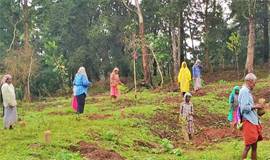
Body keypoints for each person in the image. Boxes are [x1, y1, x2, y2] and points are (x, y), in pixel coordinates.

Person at [239, 73, 264, 160]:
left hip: (253, 120)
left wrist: (257, 106)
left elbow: (249, 105)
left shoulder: (248, 91)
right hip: (249, 121)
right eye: (254, 82)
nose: (255, 84)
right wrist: (257, 106)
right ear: (250, 81)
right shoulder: (244, 91)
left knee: (254, 145)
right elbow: (244, 108)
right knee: (248, 146)